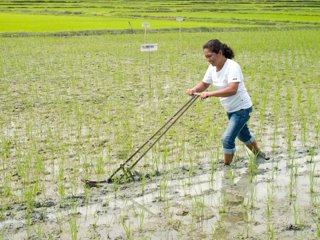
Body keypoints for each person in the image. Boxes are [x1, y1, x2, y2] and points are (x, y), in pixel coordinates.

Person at [186, 39, 269, 165]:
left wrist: (209, 94)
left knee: (227, 139)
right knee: (243, 135)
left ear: (219, 53)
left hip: (241, 108)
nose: (208, 59)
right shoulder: (212, 68)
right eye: (206, 57)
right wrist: (194, 89)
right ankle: (258, 154)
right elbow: (204, 84)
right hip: (230, 109)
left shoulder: (232, 67)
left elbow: (232, 89)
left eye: (210, 56)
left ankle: (227, 167)